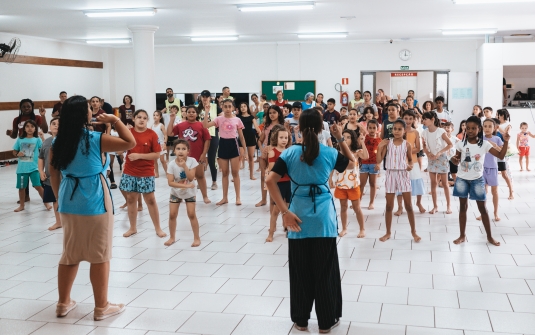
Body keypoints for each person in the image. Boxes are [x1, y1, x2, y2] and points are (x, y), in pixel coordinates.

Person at [266, 109, 354, 333]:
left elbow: (270, 181)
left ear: (297, 129)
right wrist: (340, 137)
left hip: (297, 217)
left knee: (300, 272)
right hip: (324, 219)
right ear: (321, 128)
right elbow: (352, 163)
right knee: (326, 271)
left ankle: (301, 320)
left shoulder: (289, 154)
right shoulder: (329, 152)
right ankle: (326, 322)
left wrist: (284, 212)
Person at [49, 95, 135, 321]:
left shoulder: (58, 141)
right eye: (89, 108)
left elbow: (54, 173)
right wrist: (115, 121)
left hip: (69, 197)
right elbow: (130, 142)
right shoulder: (96, 138)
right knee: (100, 254)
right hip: (94, 198)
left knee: (70, 253)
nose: (92, 109)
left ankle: (63, 303)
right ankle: (101, 307)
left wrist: (60, 199)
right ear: (84, 114)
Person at [451, 116, 510, 246]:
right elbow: (457, 158)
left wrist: (505, 142)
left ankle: (489, 236)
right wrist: (454, 160)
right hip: (462, 179)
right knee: (462, 207)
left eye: (474, 128)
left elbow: (501, 155)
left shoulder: (484, 144)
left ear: (479, 129)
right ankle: (462, 235)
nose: (470, 130)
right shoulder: (460, 143)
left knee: (482, 208)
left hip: (477, 180)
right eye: (468, 128)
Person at [120, 109, 167, 238]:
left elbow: (156, 155)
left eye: (145, 118)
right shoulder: (128, 133)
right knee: (131, 199)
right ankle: (133, 228)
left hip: (146, 172)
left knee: (150, 200)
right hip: (130, 172)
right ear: (133, 119)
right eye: (139, 117)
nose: (142, 120)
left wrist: (139, 156)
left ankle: (158, 228)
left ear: (147, 120)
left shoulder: (152, 134)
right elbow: (120, 149)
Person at [376, 119, 421, 243]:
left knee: (409, 206)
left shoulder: (407, 144)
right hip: (390, 174)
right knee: (389, 206)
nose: (396, 131)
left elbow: (410, 160)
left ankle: (414, 232)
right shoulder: (387, 143)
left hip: (403, 174)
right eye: (394, 129)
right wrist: (380, 147)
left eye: (399, 129)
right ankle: (388, 232)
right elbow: (379, 160)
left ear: (404, 130)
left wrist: (410, 165)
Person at [203, 99, 246, 206]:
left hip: (233, 144)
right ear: (222, 107)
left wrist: (244, 149)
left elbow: (241, 136)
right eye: (225, 106)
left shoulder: (237, 120)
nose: (227, 109)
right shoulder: (219, 119)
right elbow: (205, 126)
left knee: (235, 173)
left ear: (233, 108)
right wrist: (207, 112)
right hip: (223, 144)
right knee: (225, 173)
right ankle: (225, 198)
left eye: (229, 106)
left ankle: (238, 197)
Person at [7, 99, 48, 204]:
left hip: (34, 148)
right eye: (24, 107)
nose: (26, 108)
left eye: (28, 106)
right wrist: (10, 134)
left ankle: (46, 198)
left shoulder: (37, 118)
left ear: (32, 107)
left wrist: (43, 115)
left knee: (37, 177)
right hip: (24, 151)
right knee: (24, 174)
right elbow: (15, 135)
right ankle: (25, 197)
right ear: (20, 108)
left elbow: (45, 129)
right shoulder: (17, 119)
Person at [332, 129, 368, 238]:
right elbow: (333, 167)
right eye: (343, 137)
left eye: (348, 137)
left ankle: (362, 229)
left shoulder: (356, 153)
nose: (346, 139)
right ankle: (344, 228)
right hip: (341, 185)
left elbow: (366, 156)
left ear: (353, 139)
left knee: (357, 208)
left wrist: (362, 142)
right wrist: (331, 179)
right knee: (343, 207)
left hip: (353, 185)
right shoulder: (338, 152)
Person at [171, 106, 211, 203]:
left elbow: (207, 140)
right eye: (189, 112)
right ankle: (182, 196)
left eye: (193, 112)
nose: (191, 113)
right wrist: (172, 120)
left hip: (198, 156)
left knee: (200, 176)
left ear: (197, 114)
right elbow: (170, 133)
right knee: (182, 177)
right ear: (185, 113)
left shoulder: (201, 125)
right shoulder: (181, 125)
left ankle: (205, 196)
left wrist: (204, 154)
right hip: (183, 157)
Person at [166, 139, 201, 247]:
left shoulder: (192, 161)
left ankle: (196, 238)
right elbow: (170, 183)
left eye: (183, 149)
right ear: (174, 151)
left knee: (191, 214)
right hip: (176, 193)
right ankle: (172, 237)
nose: (181, 151)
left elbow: (191, 177)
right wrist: (185, 185)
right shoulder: (171, 164)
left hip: (189, 192)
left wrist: (185, 166)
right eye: (178, 149)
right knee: (172, 214)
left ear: (188, 151)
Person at [421, 111, 453, 214]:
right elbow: (424, 147)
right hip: (431, 159)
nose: (423, 121)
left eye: (425, 119)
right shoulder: (424, 132)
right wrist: (428, 153)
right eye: (423, 119)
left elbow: (450, 144)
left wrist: (439, 153)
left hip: (442, 158)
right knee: (433, 183)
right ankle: (435, 206)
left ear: (432, 119)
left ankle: (448, 206)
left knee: (445, 183)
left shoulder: (440, 131)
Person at [394, 111, 426, 215]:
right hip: (400, 162)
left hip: (413, 161)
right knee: (400, 183)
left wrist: (407, 151)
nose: (408, 121)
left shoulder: (415, 132)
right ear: (402, 118)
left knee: (416, 180)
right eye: (406, 118)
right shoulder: (399, 131)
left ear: (413, 120)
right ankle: (400, 207)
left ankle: (418, 203)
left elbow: (418, 148)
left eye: (410, 119)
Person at [473, 119, 503, 222]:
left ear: (494, 128)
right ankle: (483, 213)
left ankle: (496, 212)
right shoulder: (479, 138)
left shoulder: (497, 139)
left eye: (490, 126)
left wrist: (494, 145)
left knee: (494, 191)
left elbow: (503, 152)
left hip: (493, 168)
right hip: (481, 169)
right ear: (482, 127)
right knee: (482, 192)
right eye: (485, 126)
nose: (487, 128)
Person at [12, 120, 45, 212]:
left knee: (38, 186)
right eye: (27, 126)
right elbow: (14, 151)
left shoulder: (37, 139)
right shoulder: (20, 139)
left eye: (32, 126)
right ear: (24, 129)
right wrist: (18, 153)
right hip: (22, 169)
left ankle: (46, 203)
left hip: (34, 168)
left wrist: (42, 137)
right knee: (21, 187)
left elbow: (44, 148)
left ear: (35, 128)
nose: (30, 128)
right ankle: (22, 205)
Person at [266, 126, 291, 242]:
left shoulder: (290, 151)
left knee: (288, 207)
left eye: (286, 137)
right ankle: (271, 232)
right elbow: (272, 170)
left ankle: (288, 227)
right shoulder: (272, 152)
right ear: (276, 138)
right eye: (281, 137)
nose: (284, 140)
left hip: (289, 183)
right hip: (279, 184)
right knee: (276, 209)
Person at [39, 117, 62, 230]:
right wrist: (40, 171)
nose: (56, 125)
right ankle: (58, 221)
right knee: (55, 200)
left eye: (59, 124)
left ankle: (70, 221)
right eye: (54, 123)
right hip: (50, 177)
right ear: (50, 127)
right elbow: (41, 158)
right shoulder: (46, 142)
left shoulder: (66, 141)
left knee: (67, 199)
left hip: (65, 177)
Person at [198, 90, 220, 190]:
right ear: (201, 97)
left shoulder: (215, 107)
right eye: (203, 96)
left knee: (211, 159)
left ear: (210, 97)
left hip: (212, 134)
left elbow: (221, 118)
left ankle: (214, 181)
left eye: (207, 96)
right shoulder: (198, 108)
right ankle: (200, 180)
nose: (205, 98)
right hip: (200, 136)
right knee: (200, 159)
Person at [359, 120, 381, 210]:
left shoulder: (379, 140)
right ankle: (358, 201)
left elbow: (381, 154)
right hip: (364, 163)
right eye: (370, 128)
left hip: (374, 164)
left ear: (377, 129)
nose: (372, 130)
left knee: (373, 184)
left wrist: (379, 163)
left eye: (374, 128)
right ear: (367, 128)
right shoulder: (364, 138)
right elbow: (359, 149)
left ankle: (371, 202)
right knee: (361, 184)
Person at [237, 102, 261, 180]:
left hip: (250, 137)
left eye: (244, 106)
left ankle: (251, 175)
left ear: (247, 107)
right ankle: (235, 176)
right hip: (241, 137)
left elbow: (256, 127)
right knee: (240, 157)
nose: (243, 108)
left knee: (251, 157)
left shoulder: (251, 117)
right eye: (241, 107)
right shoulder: (238, 117)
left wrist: (259, 132)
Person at [151, 110, 168, 178]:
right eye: (154, 115)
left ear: (160, 117)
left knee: (162, 160)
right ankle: (156, 173)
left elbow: (165, 135)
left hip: (161, 145)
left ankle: (167, 172)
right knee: (155, 160)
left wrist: (164, 143)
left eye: (157, 115)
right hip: (154, 146)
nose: (155, 116)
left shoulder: (161, 125)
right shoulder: (152, 126)